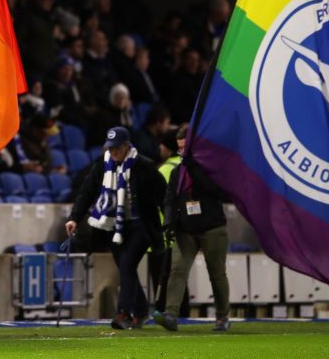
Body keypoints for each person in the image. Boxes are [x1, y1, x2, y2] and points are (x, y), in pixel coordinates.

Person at [65, 126, 166, 329]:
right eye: (110, 149)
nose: (113, 153)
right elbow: (87, 190)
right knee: (125, 267)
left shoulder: (144, 165)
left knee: (127, 264)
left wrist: (171, 222)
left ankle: (123, 314)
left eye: (116, 149)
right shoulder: (103, 165)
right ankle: (140, 311)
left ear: (127, 146)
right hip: (114, 225)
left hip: (141, 225)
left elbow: (162, 194)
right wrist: (74, 217)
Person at [153, 124, 232, 332]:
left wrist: (195, 168)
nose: (182, 153)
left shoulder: (211, 167)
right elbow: (169, 200)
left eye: (185, 148)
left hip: (212, 227)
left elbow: (220, 192)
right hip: (185, 228)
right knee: (177, 270)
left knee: (216, 273)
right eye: (179, 149)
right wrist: (168, 224)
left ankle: (222, 316)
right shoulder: (177, 172)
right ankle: (171, 314)